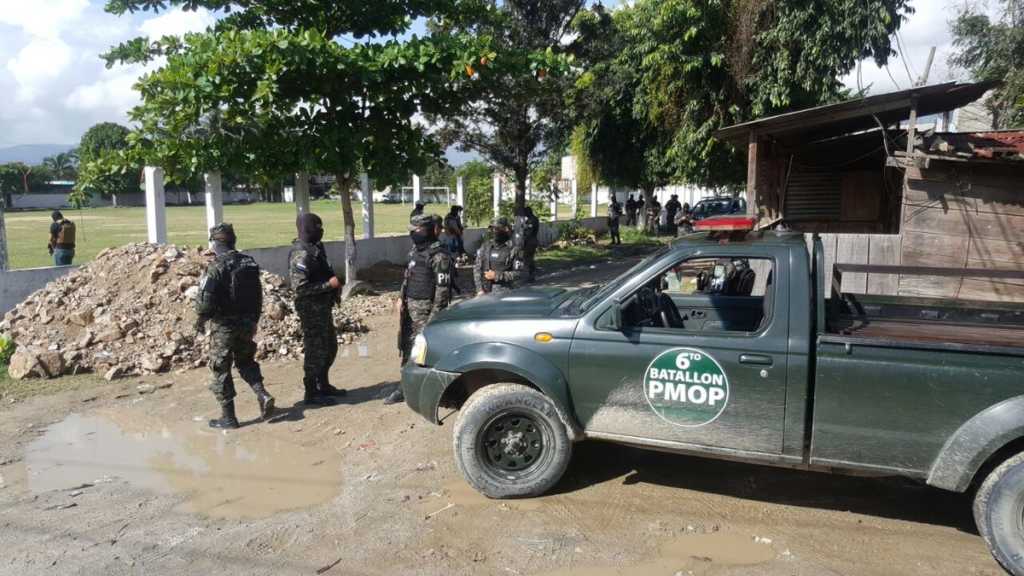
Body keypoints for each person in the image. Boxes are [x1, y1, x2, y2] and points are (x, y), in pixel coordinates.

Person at [195, 224, 275, 429]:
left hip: (224, 326)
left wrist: (201, 320)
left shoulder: (216, 267)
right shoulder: (248, 263)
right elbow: (258, 295)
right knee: (245, 361)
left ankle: (228, 418)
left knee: (220, 369)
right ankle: (262, 394)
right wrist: (254, 320)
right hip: (247, 323)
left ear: (214, 242)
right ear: (233, 240)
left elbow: (205, 304)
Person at [389, 214, 454, 405]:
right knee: (407, 347)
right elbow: (407, 278)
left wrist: (434, 319)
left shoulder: (439, 256)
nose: (413, 233)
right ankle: (405, 386)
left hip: (426, 313)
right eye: (412, 229)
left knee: (427, 351)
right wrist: (401, 298)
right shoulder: (415, 252)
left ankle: (436, 391)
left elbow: (442, 292)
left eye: (417, 230)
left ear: (430, 230)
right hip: (409, 310)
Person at [289, 213, 346, 406]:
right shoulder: (301, 254)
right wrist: (329, 285)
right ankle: (311, 392)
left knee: (330, 347)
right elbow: (300, 288)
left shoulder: (316, 249)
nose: (321, 231)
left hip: (323, 308)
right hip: (311, 311)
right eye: (317, 227)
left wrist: (334, 289)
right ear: (307, 229)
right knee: (316, 350)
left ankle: (324, 384)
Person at [474, 217, 523, 295]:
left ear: (506, 229)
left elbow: (519, 274)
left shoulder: (513, 248)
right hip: (485, 292)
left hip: (507, 292)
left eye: (497, 229)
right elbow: (477, 269)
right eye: (492, 229)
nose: (494, 231)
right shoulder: (486, 246)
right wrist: (479, 289)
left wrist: (497, 275)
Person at [515, 206, 540, 282]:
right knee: (528, 258)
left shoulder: (532, 220)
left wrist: (523, 238)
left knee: (527, 258)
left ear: (529, 212)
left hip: (530, 241)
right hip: (531, 241)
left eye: (526, 212)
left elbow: (529, 232)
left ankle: (530, 275)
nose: (525, 214)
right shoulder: (531, 219)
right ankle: (530, 275)